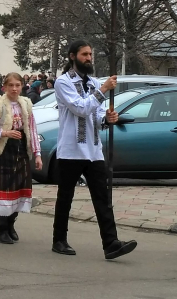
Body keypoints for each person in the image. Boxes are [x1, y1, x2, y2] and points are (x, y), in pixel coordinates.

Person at [50, 40, 137, 260]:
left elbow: (95, 115)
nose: (89, 58)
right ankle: (59, 240)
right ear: (72, 56)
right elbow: (80, 108)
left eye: (90, 54)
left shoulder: (94, 82)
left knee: (102, 197)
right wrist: (104, 89)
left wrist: (107, 119)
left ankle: (111, 243)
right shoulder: (63, 82)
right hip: (71, 149)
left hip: (93, 149)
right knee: (65, 197)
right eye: (84, 54)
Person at [0, 72, 42, 244]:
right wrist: (5, 132)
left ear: (22, 86)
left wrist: (37, 154)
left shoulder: (26, 104)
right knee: (4, 189)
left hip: (21, 148)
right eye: (11, 85)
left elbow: (32, 130)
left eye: (17, 85)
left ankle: (11, 224)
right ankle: (1, 229)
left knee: (20, 188)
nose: (14, 89)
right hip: (5, 149)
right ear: (5, 87)